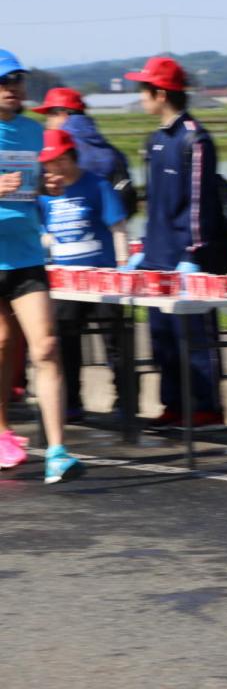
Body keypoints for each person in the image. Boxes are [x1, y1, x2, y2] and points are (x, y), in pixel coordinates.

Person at [123, 56, 225, 432]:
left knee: (194, 336)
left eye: (143, 89)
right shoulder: (154, 141)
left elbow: (199, 203)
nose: (140, 96)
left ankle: (207, 407)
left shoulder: (194, 139)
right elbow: (152, 203)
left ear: (161, 93)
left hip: (186, 259)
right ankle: (174, 404)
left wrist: (192, 253)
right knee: (162, 338)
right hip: (156, 256)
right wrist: (144, 250)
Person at [0, 49, 83, 482]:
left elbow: (44, 187)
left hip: (27, 254)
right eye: (4, 81)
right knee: (0, 344)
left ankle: (57, 451)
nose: (13, 87)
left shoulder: (35, 133)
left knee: (46, 347)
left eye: (17, 79)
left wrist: (50, 185)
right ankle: (1, 431)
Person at [38, 128, 129, 423]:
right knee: (66, 343)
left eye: (61, 160)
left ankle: (126, 404)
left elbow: (118, 226)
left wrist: (124, 264)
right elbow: (38, 229)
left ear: (72, 157)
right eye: (50, 162)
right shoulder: (46, 194)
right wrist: (44, 241)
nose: (56, 167)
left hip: (102, 278)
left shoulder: (97, 185)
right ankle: (71, 403)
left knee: (115, 343)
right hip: (65, 284)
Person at [34, 87, 137, 218]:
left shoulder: (56, 152)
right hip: (111, 225)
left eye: (49, 115)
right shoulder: (111, 151)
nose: (47, 122)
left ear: (62, 114)